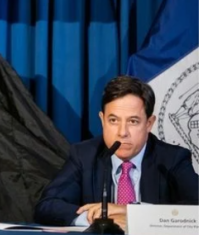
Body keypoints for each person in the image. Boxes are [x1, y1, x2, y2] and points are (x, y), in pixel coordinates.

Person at [34, 75, 199, 230]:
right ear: (102, 120)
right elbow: (47, 206)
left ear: (149, 124)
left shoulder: (172, 159)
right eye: (113, 120)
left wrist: (132, 213)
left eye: (133, 121)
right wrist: (100, 220)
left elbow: (197, 210)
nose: (122, 132)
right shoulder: (84, 155)